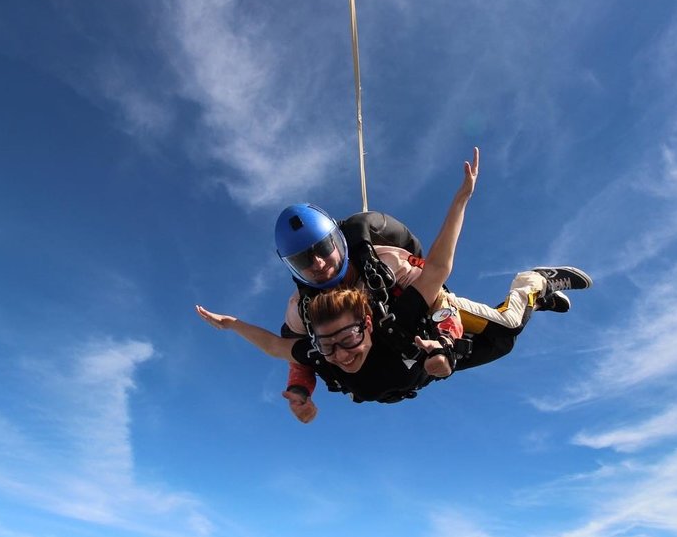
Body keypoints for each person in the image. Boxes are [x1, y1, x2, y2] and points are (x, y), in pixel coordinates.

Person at [196, 148, 592, 421]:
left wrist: (445, 342)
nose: (317, 264)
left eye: (323, 249)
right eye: (303, 260)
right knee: (495, 347)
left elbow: (437, 277)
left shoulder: (383, 266)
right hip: (405, 365)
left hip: (423, 329)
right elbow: (284, 349)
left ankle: (532, 285)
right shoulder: (304, 317)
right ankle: (528, 302)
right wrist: (298, 389)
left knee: (504, 332)